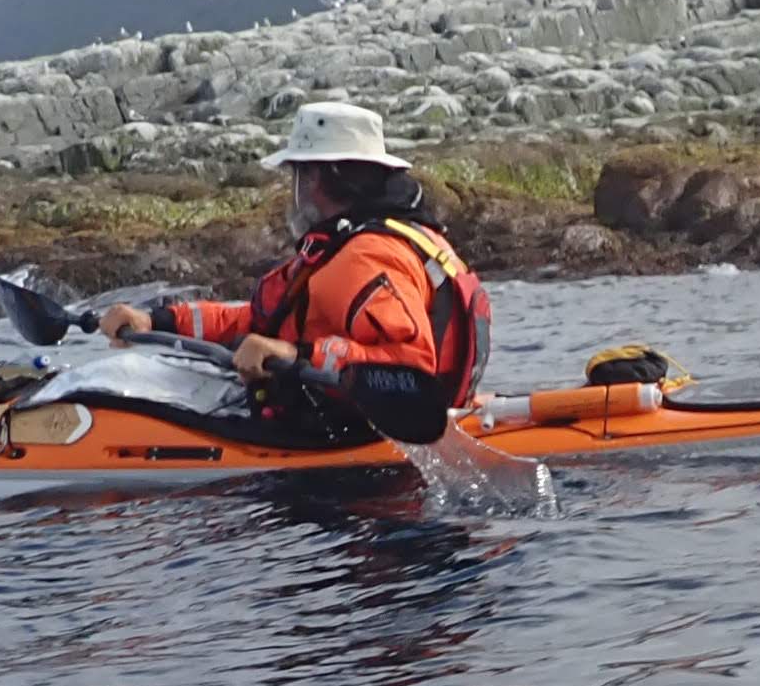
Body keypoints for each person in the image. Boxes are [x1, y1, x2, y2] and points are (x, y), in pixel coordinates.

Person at [97, 100, 489, 443]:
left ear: (316, 178)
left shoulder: (364, 258)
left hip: (368, 438)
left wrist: (296, 354)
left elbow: (409, 368)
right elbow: (261, 320)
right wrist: (157, 320)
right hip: (362, 420)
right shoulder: (352, 244)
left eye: (297, 176)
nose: (293, 190)